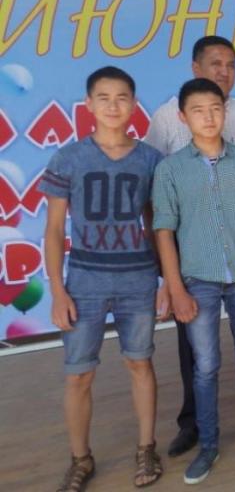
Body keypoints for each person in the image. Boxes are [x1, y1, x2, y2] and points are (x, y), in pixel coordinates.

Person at [144, 36, 235, 458]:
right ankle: (194, 425)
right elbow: (158, 204)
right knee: (197, 353)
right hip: (194, 258)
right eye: (214, 64)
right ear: (195, 68)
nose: (223, 71)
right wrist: (169, 278)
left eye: (230, 64)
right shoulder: (166, 119)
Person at [43, 67, 165, 491]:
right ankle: (81, 459)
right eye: (104, 97)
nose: (113, 106)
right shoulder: (68, 158)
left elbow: (157, 226)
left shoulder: (151, 160)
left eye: (122, 97)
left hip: (138, 280)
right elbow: (54, 231)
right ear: (89, 104)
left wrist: (166, 281)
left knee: (140, 363)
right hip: (84, 282)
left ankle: (146, 448)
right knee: (78, 374)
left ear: (134, 104)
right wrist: (57, 290)